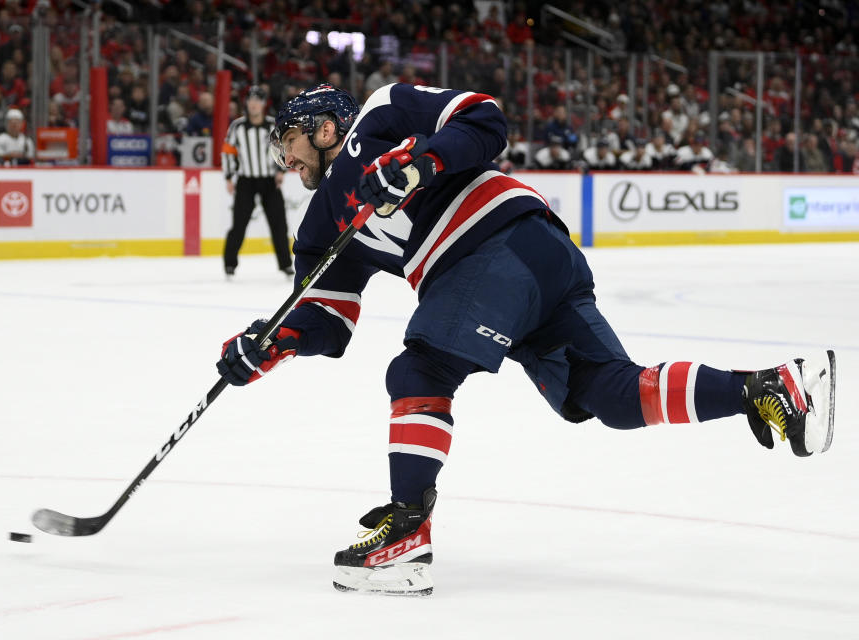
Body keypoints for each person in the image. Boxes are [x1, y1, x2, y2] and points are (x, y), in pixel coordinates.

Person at [215, 84, 837, 596]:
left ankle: (407, 532)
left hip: (493, 244)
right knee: (611, 396)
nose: (283, 161)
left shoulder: (379, 115)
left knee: (419, 372)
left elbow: (483, 118)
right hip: (531, 261)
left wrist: (418, 160)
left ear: (325, 128)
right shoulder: (321, 227)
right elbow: (326, 318)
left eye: (288, 143)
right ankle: (768, 388)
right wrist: (267, 344)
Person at [220, 85, 292, 277]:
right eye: (251, 100)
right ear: (246, 103)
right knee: (239, 223)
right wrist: (229, 176)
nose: (253, 105)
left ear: (263, 104)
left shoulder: (272, 126)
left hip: (270, 181)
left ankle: (285, 264)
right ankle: (230, 264)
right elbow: (228, 152)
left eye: (257, 101)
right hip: (246, 181)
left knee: (279, 223)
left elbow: (283, 149)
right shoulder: (237, 126)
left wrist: (280, 171)